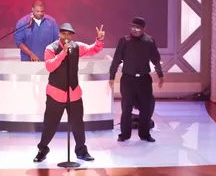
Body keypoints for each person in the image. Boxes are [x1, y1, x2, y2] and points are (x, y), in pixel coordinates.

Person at [33, 23, 105, 162]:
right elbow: (50, 66)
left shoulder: (77, 46)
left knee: (78, 123)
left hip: (74, 93)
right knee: (50, 124)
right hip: (55, 93)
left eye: (69, 34)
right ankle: (42, 150)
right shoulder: (51, 48)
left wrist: (99, 40)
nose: (67, 36)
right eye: (64, 33)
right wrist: (63, 53)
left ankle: (81, 151)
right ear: (59, 34)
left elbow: (93, 50)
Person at [109, 17, 164, 142]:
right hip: (128, 79)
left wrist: (160, 74)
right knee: (126, 108)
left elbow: (156, 58)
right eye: (132, 27)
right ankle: (124, 134)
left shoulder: (149, 41)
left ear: (143, 29)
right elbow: (116, 59)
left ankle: (145, 134)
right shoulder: (124, 41)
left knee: (146, 108)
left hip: (144, 79)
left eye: (137, 27)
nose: (134, 30)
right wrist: (112, 76)